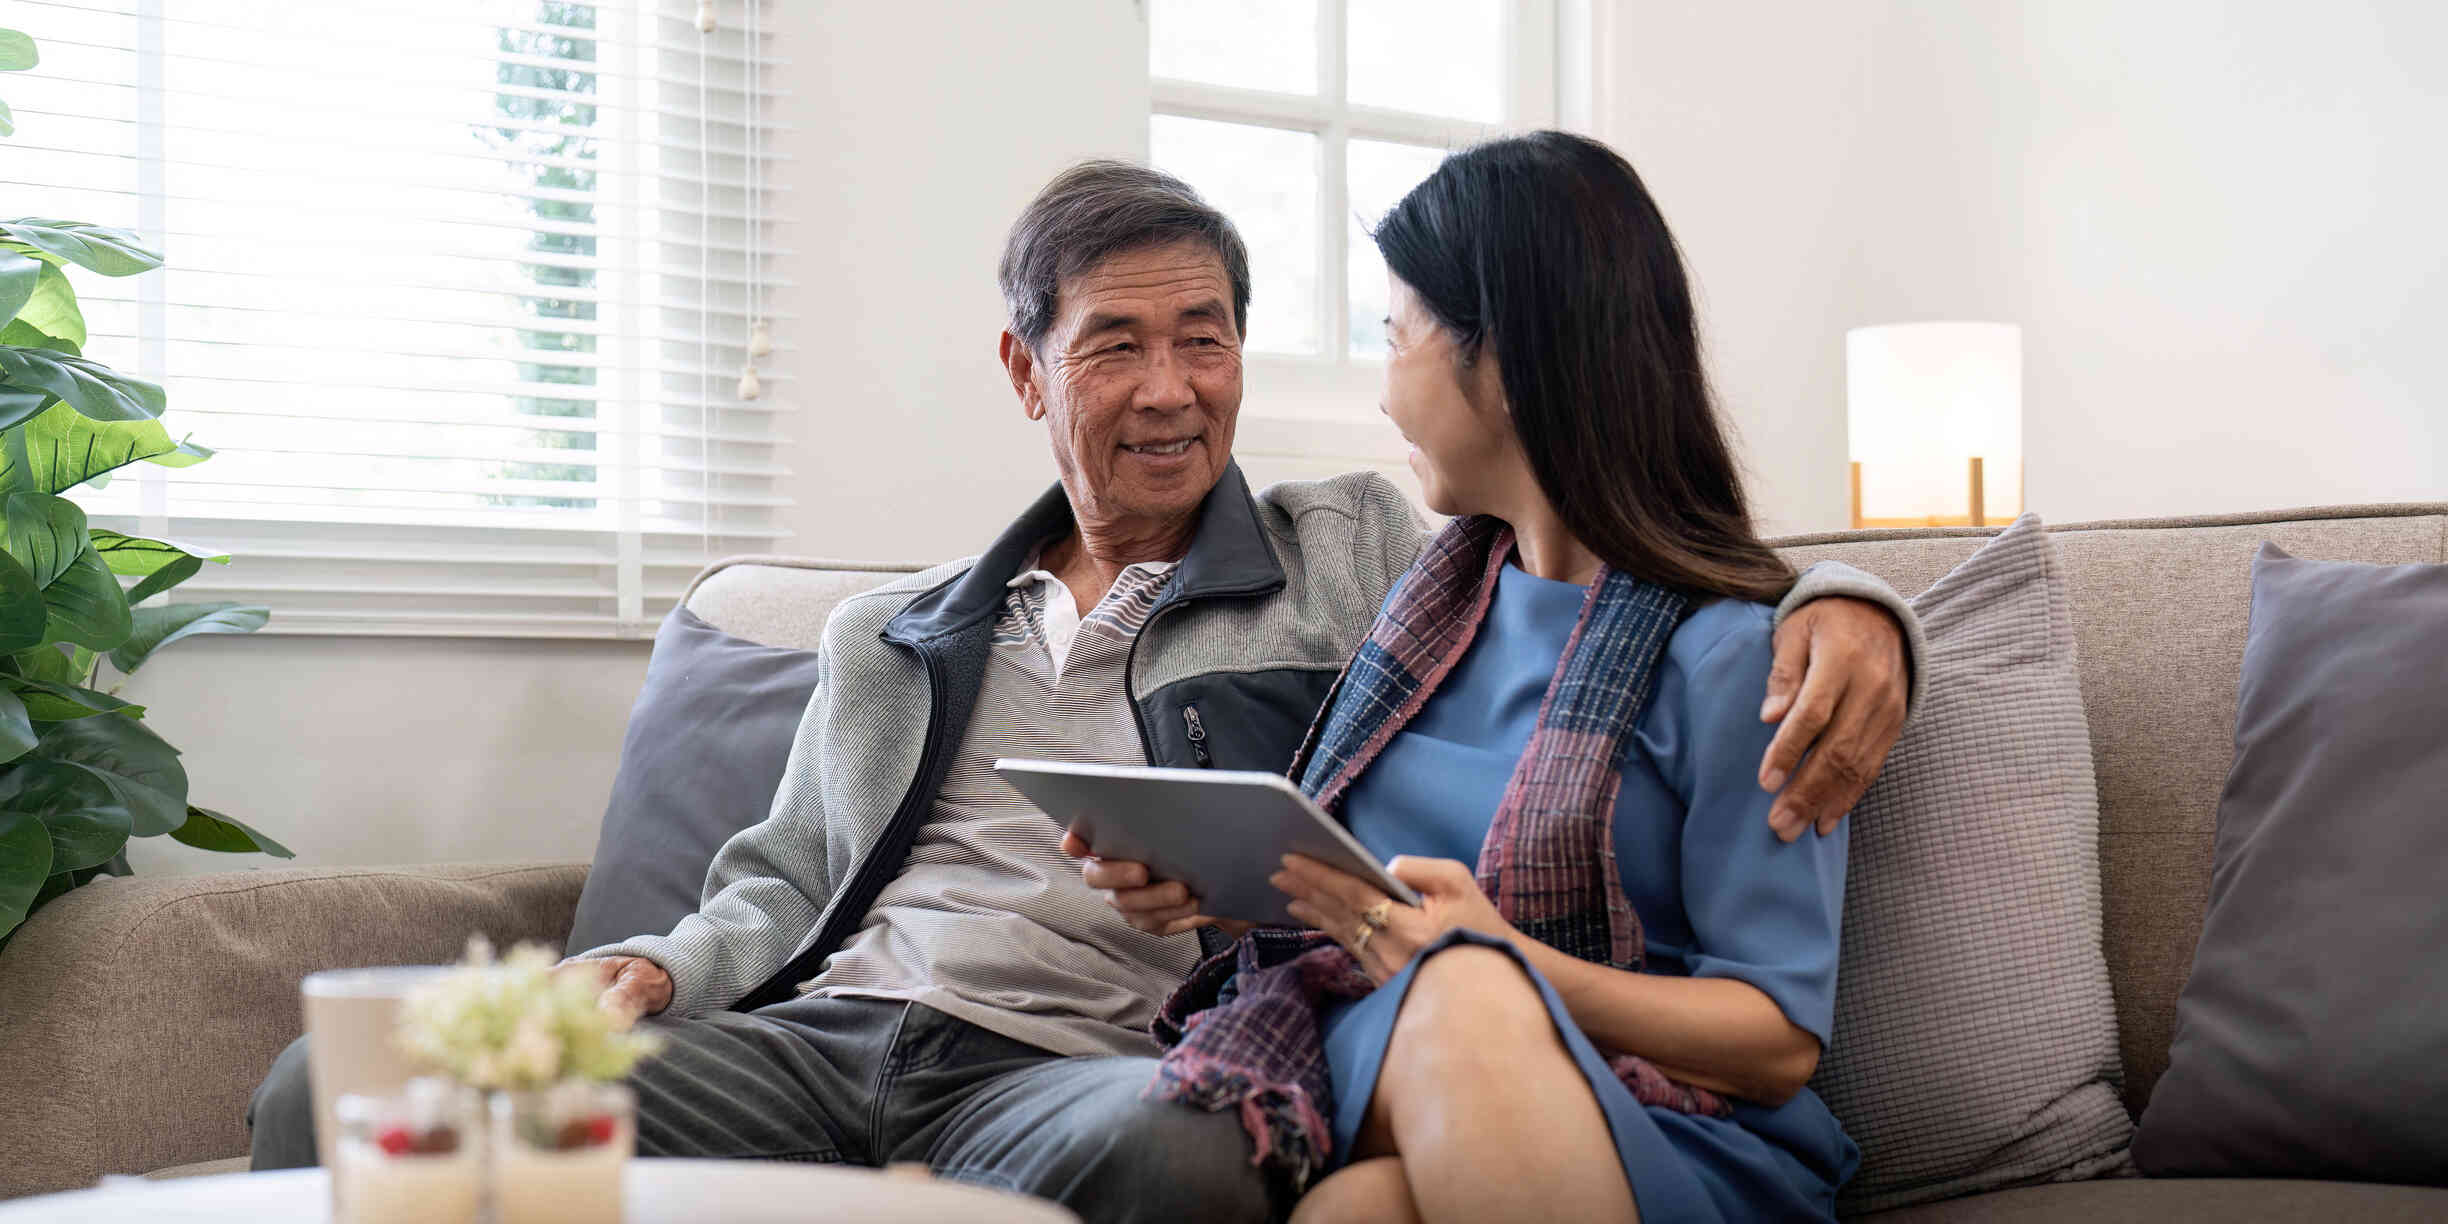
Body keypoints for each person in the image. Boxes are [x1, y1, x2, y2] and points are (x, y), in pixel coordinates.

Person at [247, 159, 1916, 1224]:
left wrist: (1853, 606)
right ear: (1023, 365)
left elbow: (1634, 542)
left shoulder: (1364, 553)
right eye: (1115, 342)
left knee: (1187, 1156)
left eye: (1207, 338)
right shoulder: (892, 635)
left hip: (1078, 1063)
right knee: (345, 1081)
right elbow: (770, 888)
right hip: (823, 1032)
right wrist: (639, 962)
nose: (1172, 388)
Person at [1099, 133, 1862, 1223]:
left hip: (1671, 1129)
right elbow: (1343, 911)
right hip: (1380, 1061)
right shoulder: (1422, 613)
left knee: (1412, 1094)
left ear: (1498, 367)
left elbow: (1777, 1040)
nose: (1382, 394)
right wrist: (1210, 887)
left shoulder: (1735, 657)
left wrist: (1497, 960)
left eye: (1395, 337)